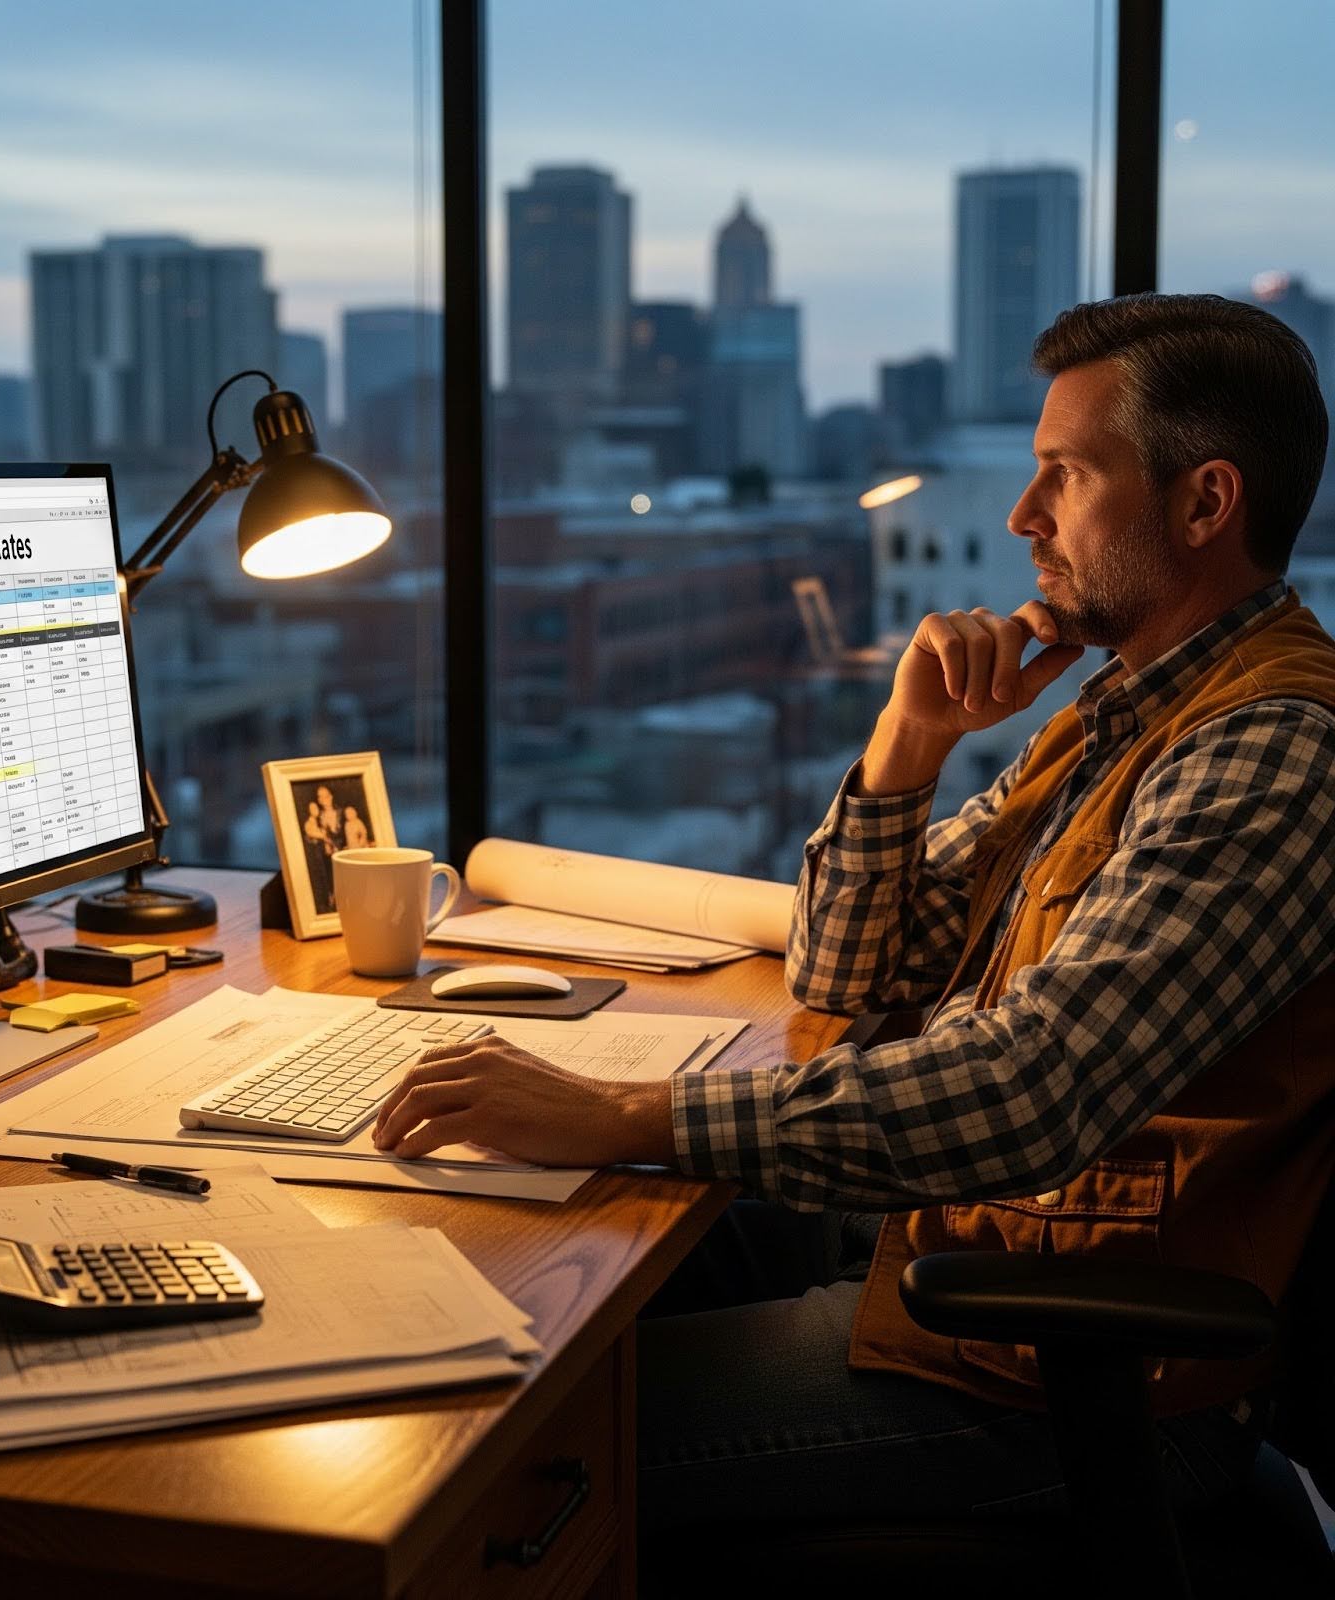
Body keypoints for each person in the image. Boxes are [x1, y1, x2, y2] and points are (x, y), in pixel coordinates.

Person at [372, 294, 1335, 1532]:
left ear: (1205, 503)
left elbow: (1029, 1089)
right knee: (497, 1274)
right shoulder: (1123, 712)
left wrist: (624, 1109)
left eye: (1063, 476)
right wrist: (906, 742)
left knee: (492, 1447)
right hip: (949, 1255)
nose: (1020, 517)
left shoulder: (1264, 754)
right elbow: (842, 973)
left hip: (1062, 1373)